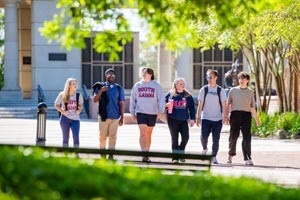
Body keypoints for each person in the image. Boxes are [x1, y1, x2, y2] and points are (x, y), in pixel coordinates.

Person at [224, 71, 261, 165]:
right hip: (235, 115)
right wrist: (226, 115)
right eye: (240, 78)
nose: (242, 80)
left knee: (247, 137)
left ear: (247, 80)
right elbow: (228, 104)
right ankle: (230, 155)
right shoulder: (233, 90)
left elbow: (252, 107)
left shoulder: (250, 92)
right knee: (233, 136)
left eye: (244, 79)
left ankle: (247, 158)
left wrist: (257, 119)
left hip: (246, 116)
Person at [129, 67, 165, 162]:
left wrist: (161, 111)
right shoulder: (138, 85)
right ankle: (143, 153)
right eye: (143, 73)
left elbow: (161, 99)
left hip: (152, 113)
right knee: (143, 133)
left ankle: (147, 153)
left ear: (150, 74)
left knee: (149, 134)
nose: (143, 74)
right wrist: (132, 112)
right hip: (141, 112)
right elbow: (133, 99)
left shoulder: (156, 85)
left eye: (145, 73)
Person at [93, 68, 125, 160]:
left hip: (115, 117)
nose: (111, 75)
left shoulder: (119, 88)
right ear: (106, 76)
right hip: (103, 116)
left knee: (113, 137)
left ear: (115, 76)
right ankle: (103, 153)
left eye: (113, 74)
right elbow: (95, 100)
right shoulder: (100, 86)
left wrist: (122, 117)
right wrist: (101, 91)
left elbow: (121, 103)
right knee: (102, 137)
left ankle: (111, 155)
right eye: (109, 74)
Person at [196, 69, 227, 164]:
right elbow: (200, 105)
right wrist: (198, 117)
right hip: (205, 118)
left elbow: (224, 105)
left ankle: (213, 156)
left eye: (211, 77)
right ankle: (204, 149)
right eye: (207, 77)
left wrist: (225, 116)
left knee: (216, 139)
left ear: (216, 78)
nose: (209, 79)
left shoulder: (220, 90)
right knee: (203, 137)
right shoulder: (204, 89)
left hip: (217, 119)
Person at [165, 78, 196, 163]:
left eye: (183, 84)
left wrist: (192, 119)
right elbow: (162, 104)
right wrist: (166, 105)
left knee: (186, 138)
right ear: (176, 85)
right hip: (172, 119)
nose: (183, 85)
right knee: (174, 139)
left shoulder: (188, 96)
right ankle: (175, 157)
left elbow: (192, 108)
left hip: (183, 120)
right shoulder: (170, 94)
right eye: (180, 84)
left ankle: (181, 152)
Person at [54, 78, 83, 150]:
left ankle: (76, 152)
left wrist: (79, 110)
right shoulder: (62, 94)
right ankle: (66, 152)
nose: (75, 85)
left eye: (76, 84)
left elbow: (80, 104)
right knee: (65, 137)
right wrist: (62, 111)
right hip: (64, 119)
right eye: (73, 84)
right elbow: (56, 105)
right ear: (69, 85)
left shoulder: (78, 95)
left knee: (76, 136)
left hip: (75, 119)